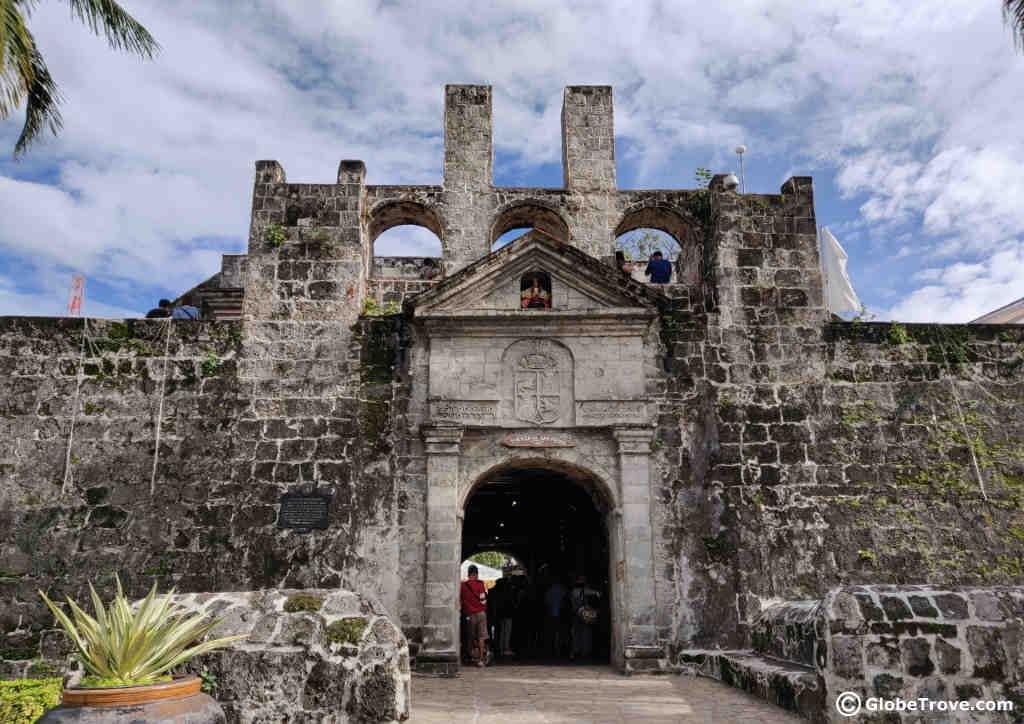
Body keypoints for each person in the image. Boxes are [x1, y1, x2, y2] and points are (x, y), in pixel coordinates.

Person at [460, 565, 490, 667]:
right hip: (481, 613)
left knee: (470, 637)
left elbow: (460, 600)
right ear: (476, 574)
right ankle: (481, 659)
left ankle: (471, 656)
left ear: (468, 574)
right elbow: (483, 600)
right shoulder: (480, 584)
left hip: (469, 614)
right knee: (481, 637)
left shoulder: (463, 586)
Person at [569, 574, 601, 661]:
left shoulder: (573, 591)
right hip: (583, 615)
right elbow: (594, 592)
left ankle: (577, 651)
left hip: (576, 614)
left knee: (577, 633)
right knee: (585, 633)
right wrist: (597, 593)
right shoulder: (583, 590)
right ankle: (584, 651)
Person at [543, 574, 568, 657]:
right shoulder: (563, 590)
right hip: (561, 614)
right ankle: (559, 648)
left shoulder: (549, 591)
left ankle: (552, 648)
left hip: (551, 614)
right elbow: (566, 602)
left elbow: (546, 603)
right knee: (561, 632)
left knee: (552, 632)